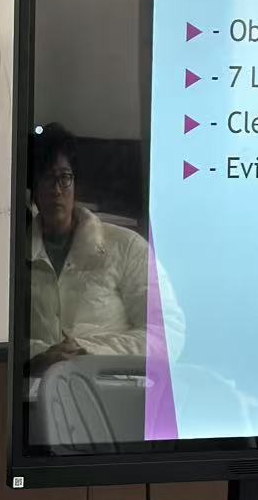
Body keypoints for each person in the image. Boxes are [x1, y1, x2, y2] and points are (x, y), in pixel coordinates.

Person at [26, 123, 185, 373]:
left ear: (76, 183)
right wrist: (40, 357)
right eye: (46, 178)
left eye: (64, 178)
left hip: (113, 387)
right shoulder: (13, 256)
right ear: (33, 190)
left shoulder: (128, 246)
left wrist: (88, 351)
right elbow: (5, 337)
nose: (56, 190)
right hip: (40, 389)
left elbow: (167, 334)